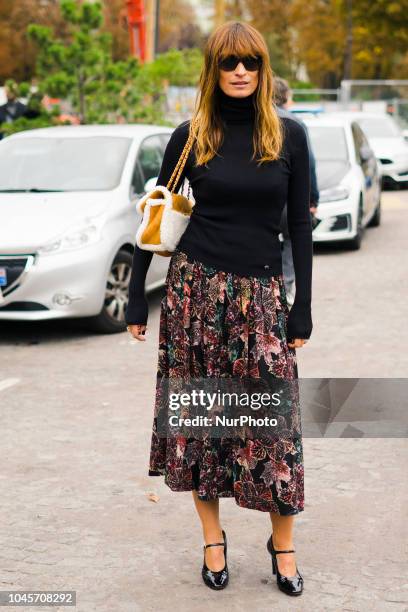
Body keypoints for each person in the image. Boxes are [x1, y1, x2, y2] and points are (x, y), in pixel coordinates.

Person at [125, 21, 313, 597]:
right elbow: (156, 221)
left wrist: (302, 305)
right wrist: (136, 292)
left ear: (262, 71)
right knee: (204, 423)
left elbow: (299, 226)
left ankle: (283, 545)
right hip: (194, 297)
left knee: (273, 428)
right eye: (229, 62)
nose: (239, 72)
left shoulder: (289, 136)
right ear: (213, 70)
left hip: (259, 299)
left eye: (250, 63)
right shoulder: (189, 136)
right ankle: (212, 539)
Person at [274, 77, 319, 306]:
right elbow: (309, 165)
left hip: (267, 198)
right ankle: (285, 286)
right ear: (287, 98)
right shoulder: (295, 124)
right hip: (290, 199)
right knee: (293, 237)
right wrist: (313, 199)